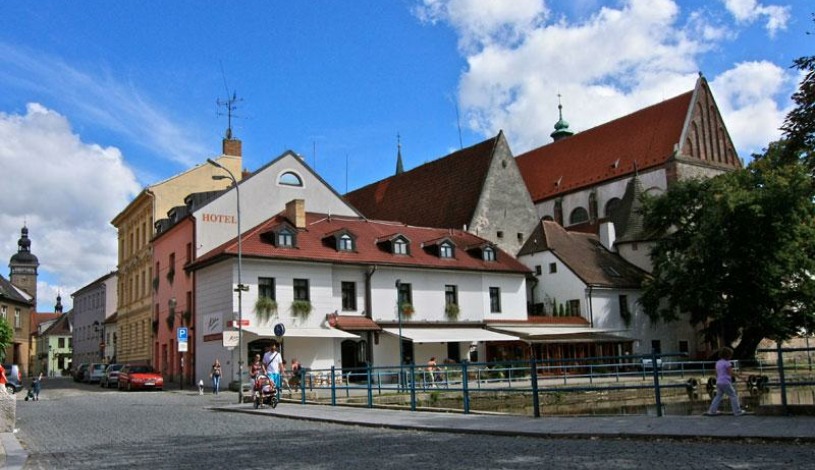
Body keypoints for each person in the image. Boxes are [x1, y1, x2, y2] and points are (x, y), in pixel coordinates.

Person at [705, 347, 745, 416]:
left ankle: (712, 411)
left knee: (718, 396)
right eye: (730, 355)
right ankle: (737, 411)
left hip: (719, 382)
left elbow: (716, 373)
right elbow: (730, 373)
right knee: (733, 395)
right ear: (728, 355)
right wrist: (740, 376)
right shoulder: (727, 363)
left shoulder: (718, 363)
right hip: (726, 382)